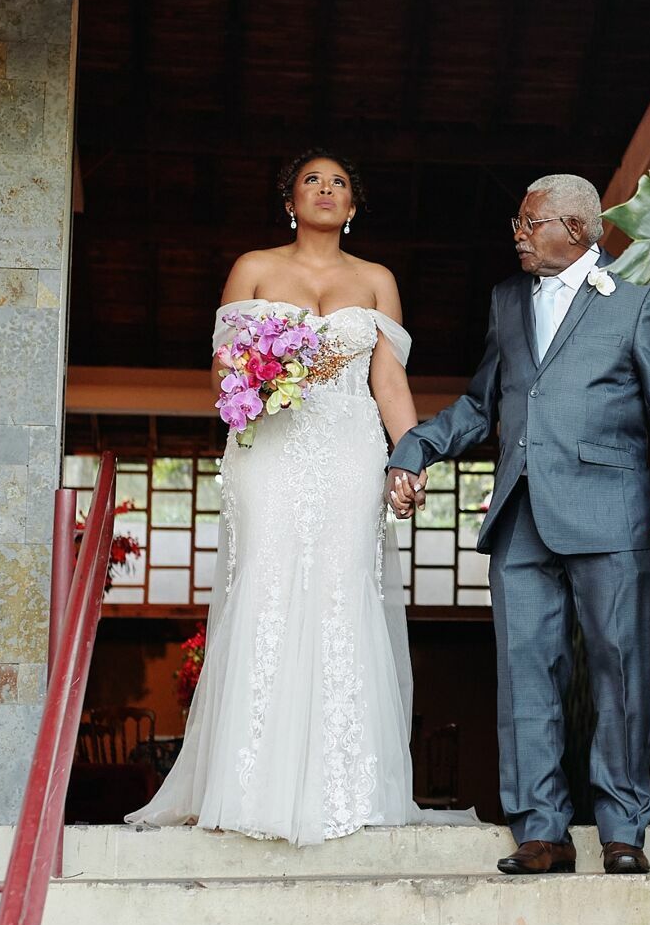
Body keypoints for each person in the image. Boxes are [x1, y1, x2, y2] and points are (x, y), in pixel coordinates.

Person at [129, 149, 476, 845]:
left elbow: (390, 384)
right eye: (312, 179)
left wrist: (410, 459)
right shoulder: (253, 267)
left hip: (350, 449)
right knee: (268, 582)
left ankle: (347, 783)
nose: (325, 189)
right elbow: (225, 375)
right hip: (271, 450)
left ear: (353, 206)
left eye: (339, 182)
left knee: (343, 589)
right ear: (290, 197)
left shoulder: (378, 280)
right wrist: (266, 374)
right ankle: (251, 779)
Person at [386, 174, 650, 875]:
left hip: (611, 508)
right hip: (521, 514)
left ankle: (623, 828)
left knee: (620, 670)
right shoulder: (506, 301)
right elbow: (481, 403)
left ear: (581, 230)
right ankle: (541, 828)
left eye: (532, 223)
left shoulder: (643, 294)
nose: (518, 233)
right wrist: (415, 447)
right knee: (524, 672)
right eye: (518, 221)